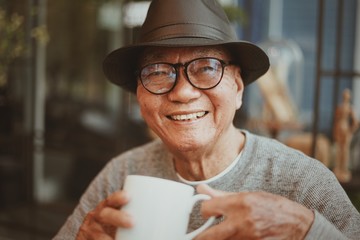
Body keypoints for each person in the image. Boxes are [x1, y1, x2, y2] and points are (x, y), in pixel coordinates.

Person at [54, 0, 360, 239]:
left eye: (207, 67)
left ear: (238, 88)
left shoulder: (302, 182)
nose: (184, 92)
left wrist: (304, 229)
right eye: (158, 72)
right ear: (139, 96)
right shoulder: (120, 174)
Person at [333, 89, 359, 183]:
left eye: (346, 96)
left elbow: (355, 123)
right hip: (341, 128)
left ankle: (343, 169)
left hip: (344, 129)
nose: (345, 97)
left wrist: (352, 131)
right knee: (340, 149)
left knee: (344, 150)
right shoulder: (341, 108)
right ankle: (339, 168)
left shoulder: (349, 108)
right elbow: (336, 120)